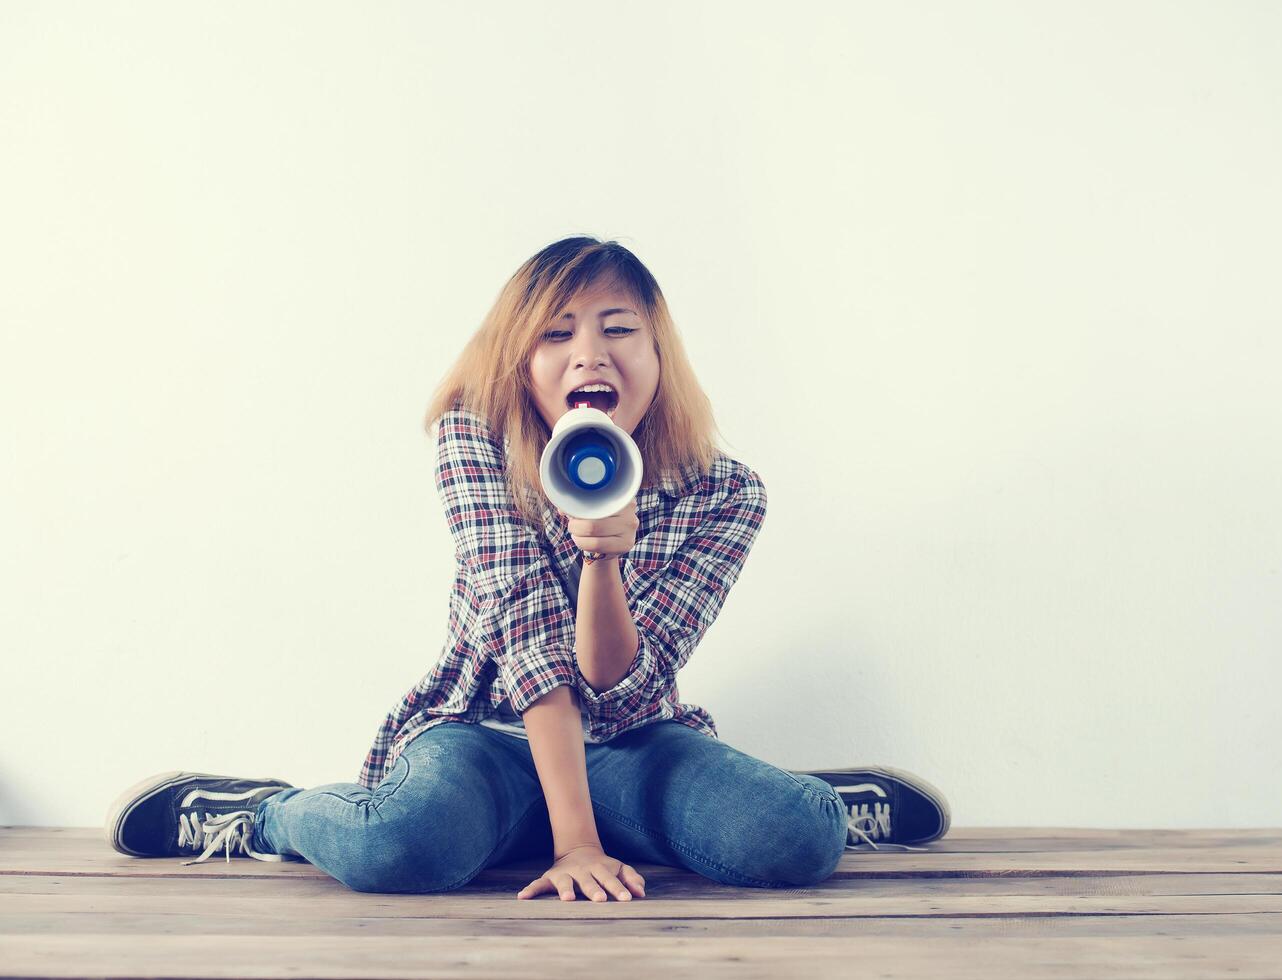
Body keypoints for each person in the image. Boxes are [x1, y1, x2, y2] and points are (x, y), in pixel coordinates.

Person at [104, 236, 949, 900]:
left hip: (628, 740)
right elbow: (529, 638)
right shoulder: (473, 441)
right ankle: (261, 814)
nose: (590, 353)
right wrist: (576, 840)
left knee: (792, 838)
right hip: (484, 736)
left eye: (619, 329)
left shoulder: (725, 494)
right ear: (521, 361)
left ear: (660, 357)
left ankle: (825, 805)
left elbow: (617, 687)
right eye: (556, 333)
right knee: (398, 847)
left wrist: (603, 559)